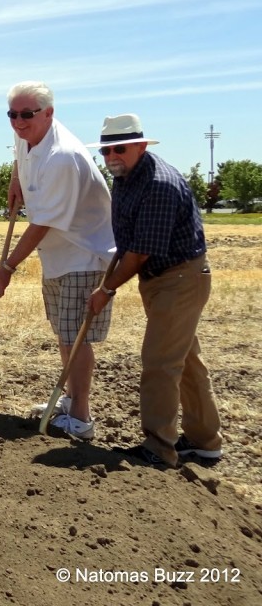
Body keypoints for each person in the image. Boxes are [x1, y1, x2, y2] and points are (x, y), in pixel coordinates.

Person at [87, 114, 222, 468]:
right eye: (106, 150)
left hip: (180, 279)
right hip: (162, 281)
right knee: (186, 361)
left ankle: (159, 449)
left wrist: (107, 290)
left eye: (120, 148)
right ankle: (205, 441)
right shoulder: (125, 177)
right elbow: (125, 244)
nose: (112, 156)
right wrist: (106, 283)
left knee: (160, 363)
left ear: (141, 146)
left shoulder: (159, 184)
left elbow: (139, 252)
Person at [0, 82, 115, 440]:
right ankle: (71, 399)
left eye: (26, 114)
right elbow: (18, 148)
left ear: (49, 113)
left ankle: (81, 417)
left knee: (76, 338)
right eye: (11, 114)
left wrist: (8, 266)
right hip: (59, 256)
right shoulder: (26, 133)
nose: (17, 121)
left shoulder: (63, 157)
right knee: (64, 333)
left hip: (84, 252)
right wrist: (16, 178)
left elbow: (41, 224)